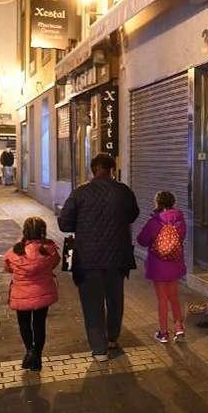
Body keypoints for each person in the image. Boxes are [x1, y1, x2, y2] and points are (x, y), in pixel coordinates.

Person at [58, 153, 139, 362]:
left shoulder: (80, 193)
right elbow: (133, 215)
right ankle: (112, 337)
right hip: (117, 257)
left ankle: (100, 349)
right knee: (115, 299)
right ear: (112, 169)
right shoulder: (123, 191)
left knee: (92, 303)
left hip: (87, 259)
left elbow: (64, 224)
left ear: (93, 170)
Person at [3, 217, 60, 371]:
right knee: (39, 324)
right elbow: (55, 262)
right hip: (43, 292)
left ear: (25, 231)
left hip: (21, 293)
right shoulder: (49, 249)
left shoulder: (16, 250)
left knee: (24, 323)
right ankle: (37, 356)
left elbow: (8, 267)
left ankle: (29, 351)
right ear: (43, 231)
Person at [136, 191, 187, 343]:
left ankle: (163, 333)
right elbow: (181, 238)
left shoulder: (155, 222)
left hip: (158, 265)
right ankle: (179, 328)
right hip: (174, 263)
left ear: (158, 203)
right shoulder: (180, 220)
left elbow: (142, 240)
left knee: (162, 299)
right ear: (173, 203)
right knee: (174, 297)